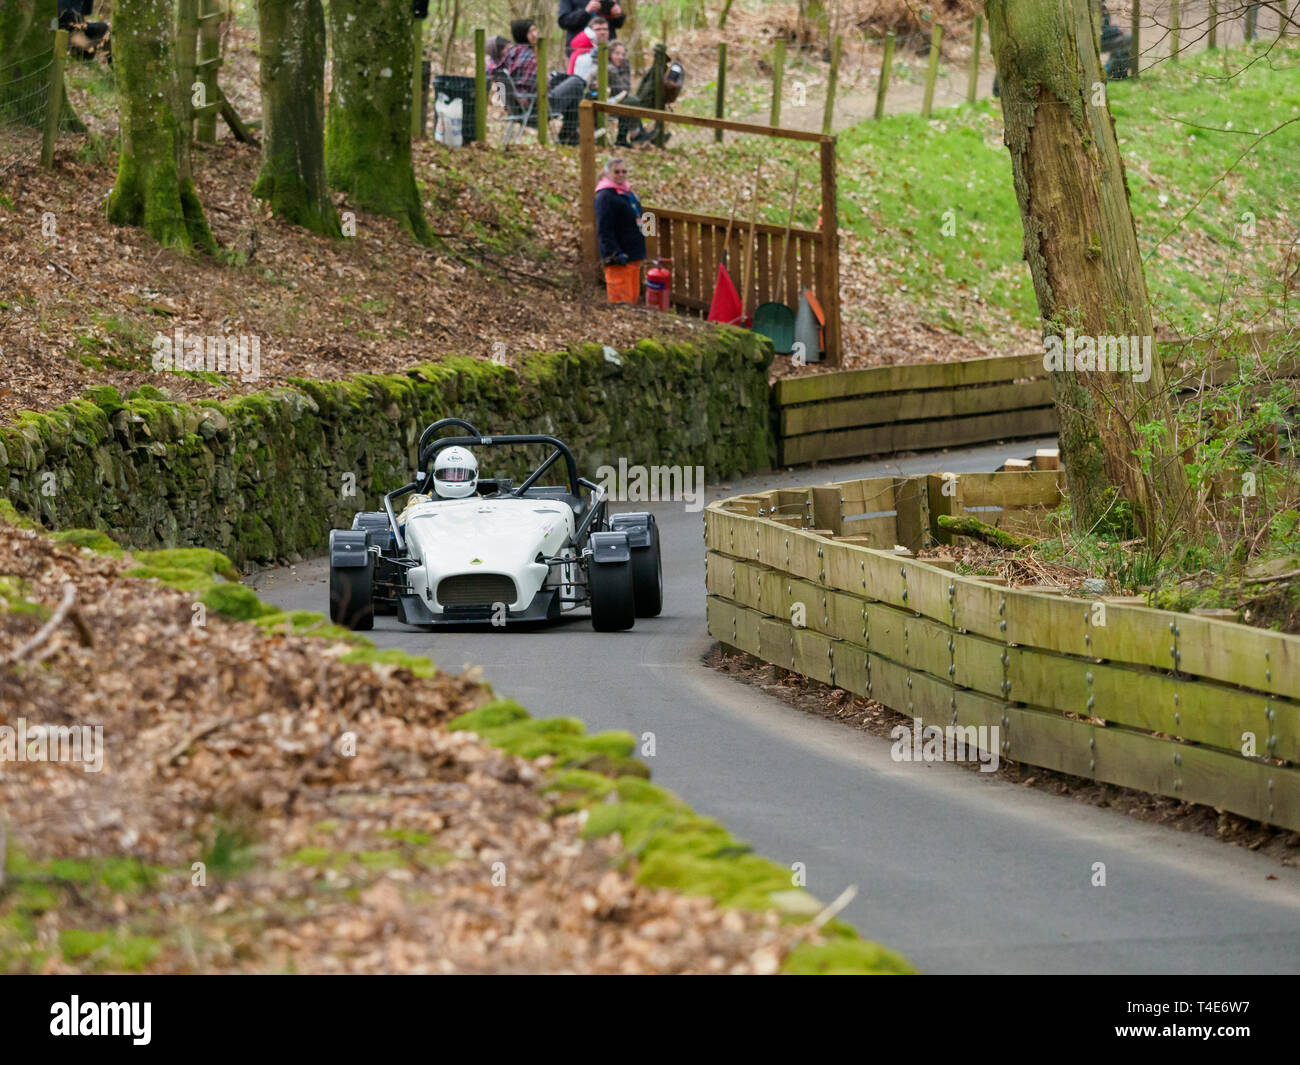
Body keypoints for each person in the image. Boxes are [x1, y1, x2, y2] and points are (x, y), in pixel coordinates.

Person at [548, 16, 609, 144]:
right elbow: (580, 82)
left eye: (605, 29)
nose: (603, 32)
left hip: (599, 91)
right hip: (583, 94)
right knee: (592, 98)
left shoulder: (608, 51)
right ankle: (576, 136)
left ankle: (570, 136)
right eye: (598, 29)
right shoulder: (584, 57)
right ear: (590, 32)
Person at [594, 157, 645, 304]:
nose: (621, 174)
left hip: (634, 254)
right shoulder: (605, 196)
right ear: (607, 173)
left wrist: (645, 240)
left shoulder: (628, 193)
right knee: (621, 302)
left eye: (624, 171)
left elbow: (641, 217)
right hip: (619, 257)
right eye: (616, 172)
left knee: (633, 298)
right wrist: (615, 253)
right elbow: (604, 230)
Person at [558, 0, 624, 56]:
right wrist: (585, 11)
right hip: (578, 52)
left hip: (607, 51)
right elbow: (563, 21)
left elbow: (619, 24)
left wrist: (618, 14)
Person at [500, 19, 539, 97]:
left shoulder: (511, 51)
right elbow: (539, 85)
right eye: (529, 32)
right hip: (535, 100)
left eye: (534, 30)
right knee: (571, 82)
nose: (534, 35)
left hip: (519, 100)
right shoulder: (530, 57)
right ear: (521, 35)